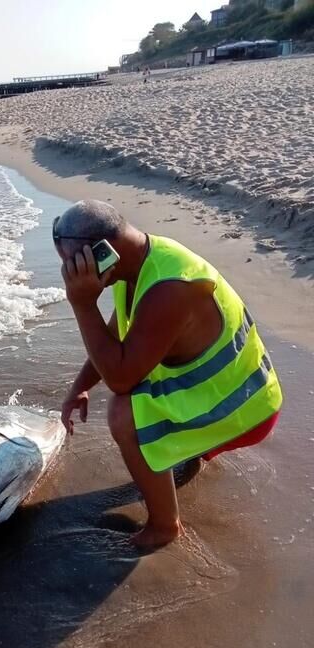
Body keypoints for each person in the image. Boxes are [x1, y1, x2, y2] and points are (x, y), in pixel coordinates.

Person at [53, 200, 282, 549]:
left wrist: (82, 304)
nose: (72, 276)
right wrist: (78, 389)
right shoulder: (139, 262)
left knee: (123, 412)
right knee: (137, 379)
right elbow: (116, 340)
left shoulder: (170, 288)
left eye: (73, 266)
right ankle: (187, 451)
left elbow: (119, 378)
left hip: (245, 409)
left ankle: (164, 526)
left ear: (103, 254)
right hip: (226, 388)